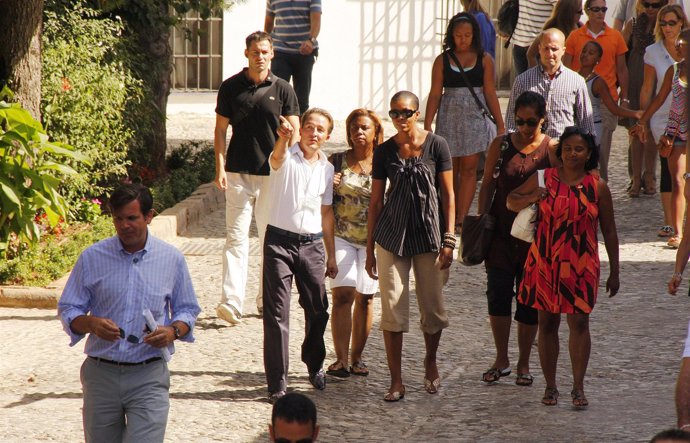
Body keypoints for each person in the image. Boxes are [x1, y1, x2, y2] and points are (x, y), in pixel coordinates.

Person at [57, 184, 201, 443]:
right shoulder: (92, 257)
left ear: (149, 216)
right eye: (118, 219)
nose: (124, 225)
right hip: (101, 374)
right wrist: (90, 323)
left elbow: (188, 309)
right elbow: (69, 307)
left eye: (132, 218)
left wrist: (172, 331)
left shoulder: (171, 260)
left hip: (149, 374)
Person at [508, 127, 620, 408]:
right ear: (561, 152)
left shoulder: (597, 187)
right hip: (545, 260)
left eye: (579, 149)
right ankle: (550, 386)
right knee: (547, 322)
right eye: (567, 148)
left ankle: (578, 387)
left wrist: (615, 271)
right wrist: (533, 198)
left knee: (580, 322)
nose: (572, 153)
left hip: (582, 264)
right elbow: (511, 201)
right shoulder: (544, 178)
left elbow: (609, 231)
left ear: (589, 153)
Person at [366, 91, 455, 402]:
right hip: (392, 236)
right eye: (394, 113)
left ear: (417, 113)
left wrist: (449, 238)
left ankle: (430, 361)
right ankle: (396, 379)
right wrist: (369, 250)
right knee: (392, 308)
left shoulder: (437, 145)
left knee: (432, 307)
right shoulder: (385, 151)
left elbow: (448, 195)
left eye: (406, 112)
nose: (400, 119)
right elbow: (376, 202)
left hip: (429, 236)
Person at [214, 31, 300, 324]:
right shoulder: (230, 87)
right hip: (237, 172)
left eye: (264, 51)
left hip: (272, 173)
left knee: (269, 240)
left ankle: (267, 299)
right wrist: (219, 168)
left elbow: (296, 134)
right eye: (255, 52)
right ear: (246, 54)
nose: (259, 56)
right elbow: (220, 131)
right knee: (235, 238)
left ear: (272, 54)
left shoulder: (284, 89)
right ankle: (231, 301)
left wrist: (292, 167)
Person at [477, 91, 559, 386]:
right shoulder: (500, 146)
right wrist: (481, 219)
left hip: (535, 239)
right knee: (497, 296)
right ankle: (502, 357)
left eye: (531, 122)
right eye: (520, 121)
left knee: (528, 302)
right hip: (500, 233)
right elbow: (487, 184)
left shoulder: (551, 149)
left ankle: (524, 363)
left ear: (543, 120)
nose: (525, 128)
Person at [262, 108, 338, 404]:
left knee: (318, 308)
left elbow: (326, 212)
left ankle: (314, 361)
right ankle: (277, 382)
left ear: (327, 136)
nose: (314, 133)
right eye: (309, 127)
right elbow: (276, 159)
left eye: (320, 129)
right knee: (276, 313)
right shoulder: (285, 156)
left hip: (313, 244)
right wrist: (282, 139)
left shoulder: (327, 168)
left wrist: (330, 255)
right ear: (300, 129)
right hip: (279, 242)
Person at [425, 12, 504, 232]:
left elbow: (490, 92)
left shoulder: (485, 59)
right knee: (450, 168)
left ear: (474, 36)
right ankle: (448, 215)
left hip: (474, 117)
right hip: (449, 115)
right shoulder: (442, 60)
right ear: (451, 35)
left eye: (467, 35)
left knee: (469, 170)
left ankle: (460, 218)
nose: (463, 39)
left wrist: (500, 123)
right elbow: (434, 94)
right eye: (458, 35)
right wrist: (427, 124)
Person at [326, 109, 383, 378]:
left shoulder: (384, 161)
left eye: (364, 128)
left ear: (375, 132)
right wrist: (330, 185)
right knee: (343, 295)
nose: (358, 132)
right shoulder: (336, 161)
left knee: (366, 299)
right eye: (354, 128)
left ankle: (358, 357)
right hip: (342, 236)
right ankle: (340, 360)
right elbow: (319, 198)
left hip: (374, 240)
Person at [632, 29, 690, 249]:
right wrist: (642, 120)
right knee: (677, 182)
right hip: (675, 132)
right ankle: (678, 232)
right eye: (677, 44)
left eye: (681, 43)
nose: (677, 47)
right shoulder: (673, 71)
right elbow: (659, 98)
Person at [563, 0, 630, 183]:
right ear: (587, 11)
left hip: (606, 101)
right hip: (578, 99)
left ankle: (601, 192)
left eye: (604, 9)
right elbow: (566, 68)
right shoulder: (575, 37)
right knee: (576, 151)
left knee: (600, 155)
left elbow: (622, 69)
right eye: (596, 9)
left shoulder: (616, 36)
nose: (601, 13)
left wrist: (625, 99)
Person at [505, 29, 596, 139]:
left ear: (563, 51)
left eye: (554, 49)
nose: (550, 54)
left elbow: (586, 123)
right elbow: (511, 120)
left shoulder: (576, 81)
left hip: (563, 150)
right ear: (539, 49)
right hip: (530, 149)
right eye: (546, 48)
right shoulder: (522, 81)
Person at [622, 0, 667, 197]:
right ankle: (636, 178)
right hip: (634, 77)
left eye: (655, 5)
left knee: (651, 131)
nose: (650, 9)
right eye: (647, 4)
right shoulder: (632, 24)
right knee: (636, 129)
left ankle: (650, 177)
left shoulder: (666, 24)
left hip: (656, 79)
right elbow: (621, 55)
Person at [578, 41, 643, 148]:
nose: (585, 55)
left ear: (598, 60)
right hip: (576, 127)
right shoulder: (572, 76)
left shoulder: (598, 83)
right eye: (584, 51)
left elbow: (613, 108)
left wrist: (636, 114)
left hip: (593, 129)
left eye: (591, 53)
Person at [265, 0, 321, 115]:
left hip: (304, 53)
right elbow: (269, 22)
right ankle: (277, 129)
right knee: (277, 94)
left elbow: (316, 19)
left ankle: (299, 129)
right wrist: (267, 43)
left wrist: (311, 41)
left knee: (301, 97)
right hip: (280, 51)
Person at [526, 0, 584, 68]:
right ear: (569, 13)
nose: (582, 14)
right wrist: (536, 75)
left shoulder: (581, 26)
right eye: (579, 12)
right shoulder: (552, 32)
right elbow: (530, 54)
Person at [511, 0, 558, 75]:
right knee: (522, 84)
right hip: (520, 42)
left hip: (539, 46)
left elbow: (562, 10)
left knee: (539, 83)